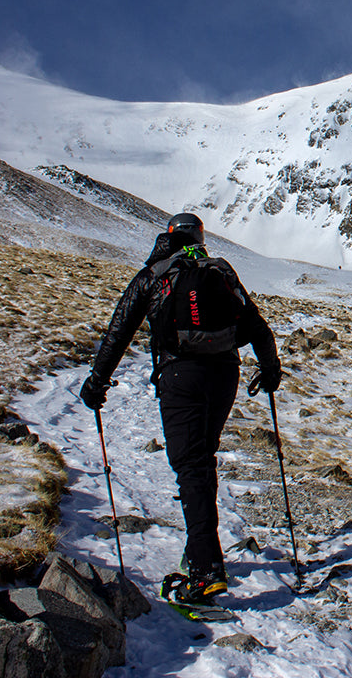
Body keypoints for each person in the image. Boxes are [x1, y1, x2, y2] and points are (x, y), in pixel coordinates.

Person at [79, 212, 281, 604]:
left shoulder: (154, 275)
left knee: (191, 465)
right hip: (225, 374)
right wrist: (270, 369)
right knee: (202, 459)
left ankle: (206, 573)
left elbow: (119, 329)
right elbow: (255, 323)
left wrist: (97, 381)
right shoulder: (219, 270)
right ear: (201, 237)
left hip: (180, 376)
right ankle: (200, 552)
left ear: (166, 238)